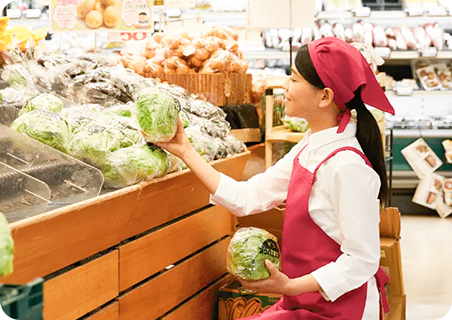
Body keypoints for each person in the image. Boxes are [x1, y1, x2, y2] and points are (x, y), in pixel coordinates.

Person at [157, 37, 395, 320]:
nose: (285, 86)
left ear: (325, 97)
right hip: (300, 302)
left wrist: (290, 286)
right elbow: (247, 198)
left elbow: (362, 260)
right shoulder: (310, 146)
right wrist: (185, 150)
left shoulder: (347, 167)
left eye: (294, 79)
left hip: (342, 310)